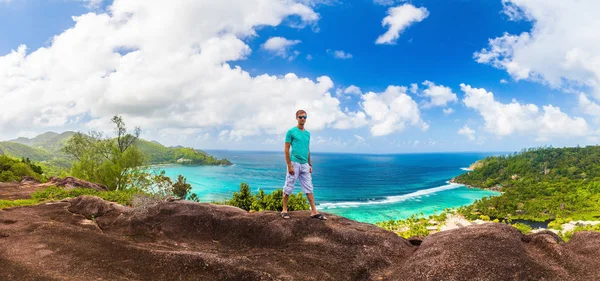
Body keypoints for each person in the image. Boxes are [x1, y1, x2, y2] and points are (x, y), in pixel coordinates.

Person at [280, 110, 327, 220]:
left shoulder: (307, 134)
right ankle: (284, 210)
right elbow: (286, 149)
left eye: (304, 117)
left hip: (305, 164)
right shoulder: (291, 131)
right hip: (294, 163)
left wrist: (310, 164)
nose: (303, 119)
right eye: (300, 117)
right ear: (296, 118)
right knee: (288, 186)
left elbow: (307, 149)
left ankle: (314, 211)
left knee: (309, 187)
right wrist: (289, 165)